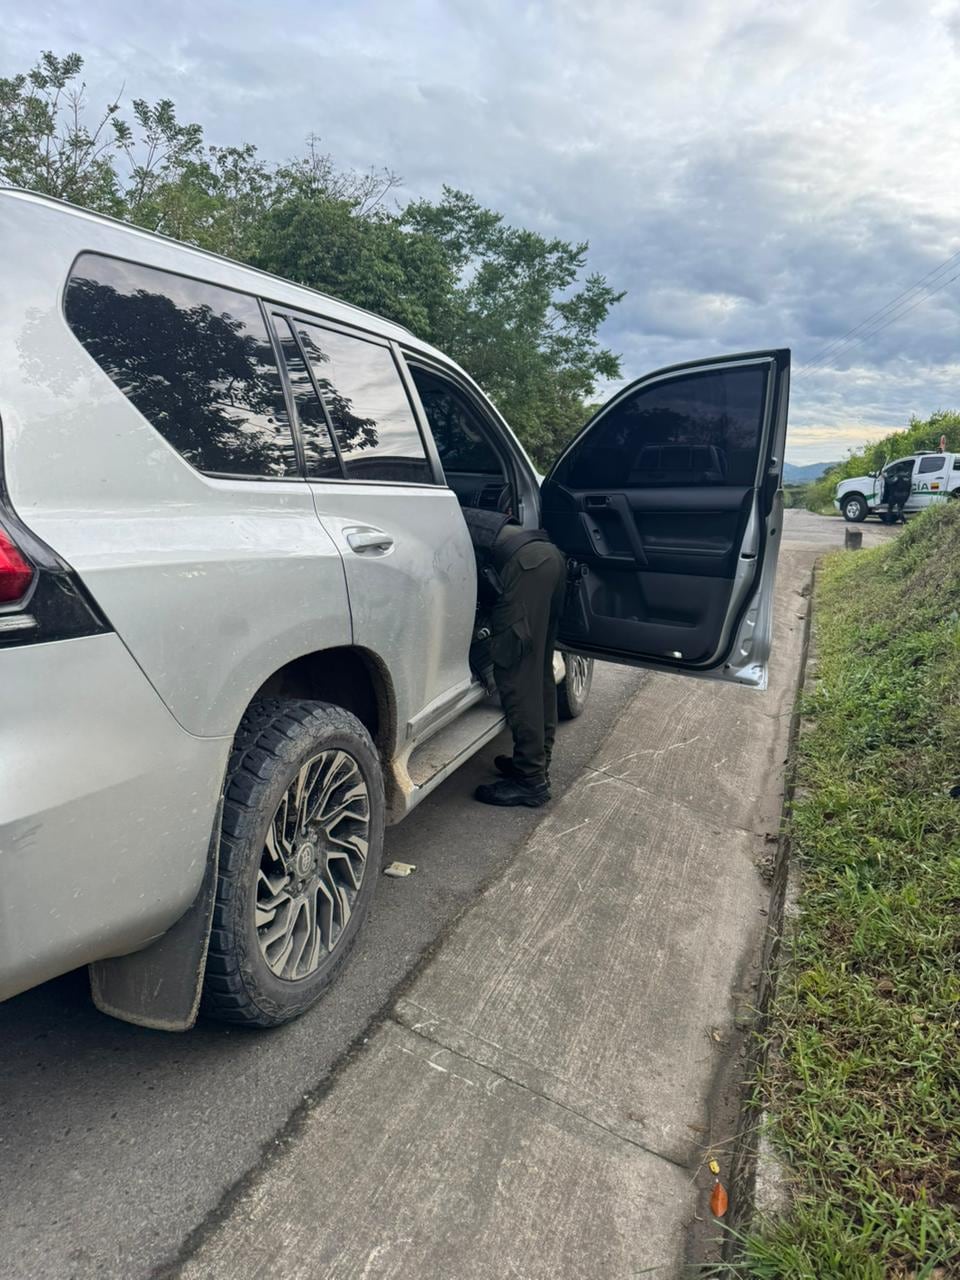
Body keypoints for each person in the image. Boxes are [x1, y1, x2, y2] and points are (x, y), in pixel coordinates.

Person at [461, 508, 567, 808]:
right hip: (548, 557)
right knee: (539, 673)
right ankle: (537, 761)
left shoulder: (428, 521)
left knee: (518, 676)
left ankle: (530, 781)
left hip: (524, 569)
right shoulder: (458, 510)